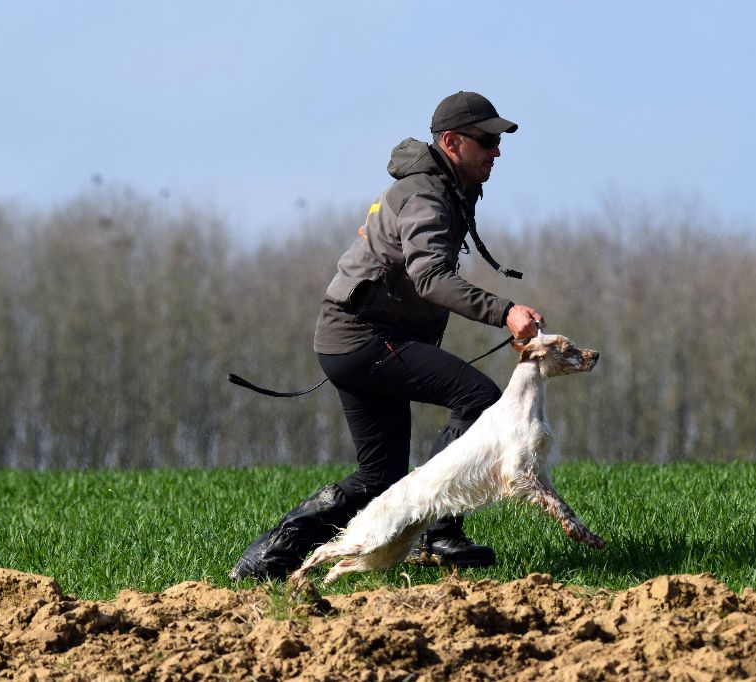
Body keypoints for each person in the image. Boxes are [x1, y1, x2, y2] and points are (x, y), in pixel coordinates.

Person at [229, 91, 545, 582]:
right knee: (480, 398)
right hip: (363, 339)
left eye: (498, 141)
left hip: (349, 340)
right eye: (486, 140)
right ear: (451, 141)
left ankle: (266, 559)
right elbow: (431, 278)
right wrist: (504, 311)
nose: (496, 151)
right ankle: (441, 528)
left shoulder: (443, 187)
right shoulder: (426, 194)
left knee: (381, 476)